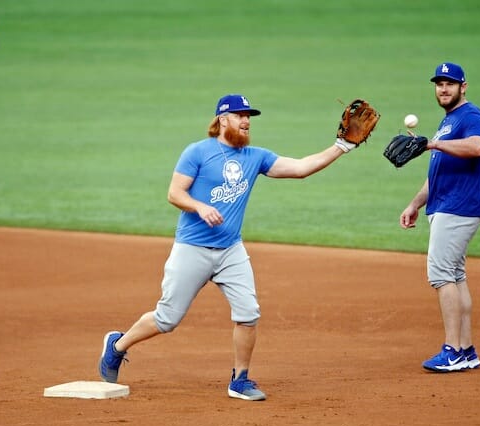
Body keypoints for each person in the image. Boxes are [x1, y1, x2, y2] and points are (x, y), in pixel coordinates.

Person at [99, 94, 369, 400]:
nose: (246, 121)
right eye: (240, 116)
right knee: (167, 319)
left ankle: (240, 380)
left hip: (231, 250)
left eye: (249, 117)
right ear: (222, 119)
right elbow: (174, 193)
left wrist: (341, 147)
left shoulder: (256, 156)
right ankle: (117, 346)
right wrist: (199, 207)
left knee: (248, 313)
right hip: (192, 248)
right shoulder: (197, 152)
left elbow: (301, 168)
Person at [399, 62, 480, 373]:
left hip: (458, 207)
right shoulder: (448, 122)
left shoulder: (471, 116)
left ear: (463, 86)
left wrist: (434, 143)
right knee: (456, 275)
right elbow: (438, 172)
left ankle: (451, 350)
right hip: (446, 205)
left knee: (440, 275)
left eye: (450, 83)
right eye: (439, 83)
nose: (443, 88)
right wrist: (415, 204)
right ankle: (465, 350)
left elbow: (478, 147)